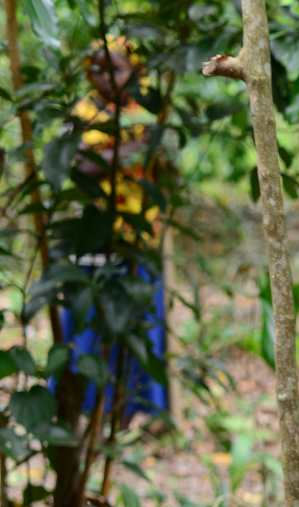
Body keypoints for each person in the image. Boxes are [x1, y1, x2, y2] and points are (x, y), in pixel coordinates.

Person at [61, 35, 169, 422]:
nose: (104, 77)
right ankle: (87, 410)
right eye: (97, 68)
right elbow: (78, 165)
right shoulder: (84, 112)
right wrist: (124, 152)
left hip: (137, 240)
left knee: (140, 328)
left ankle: (138, 413)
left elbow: (160, 161)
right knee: (88, 327)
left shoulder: (146, 112)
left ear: (135, 71)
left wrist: (112, 154)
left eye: (115, 69)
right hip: (94, 241)